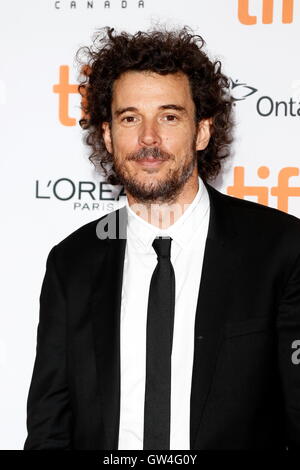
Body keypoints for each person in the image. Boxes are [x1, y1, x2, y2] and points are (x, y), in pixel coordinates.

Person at [24, 26, 300, 450]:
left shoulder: (281, 250)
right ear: (107, 135)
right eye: (129, 118)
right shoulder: (72, 264)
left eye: (169, 117)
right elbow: (49, 429)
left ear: (203, 131)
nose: (148, 138)